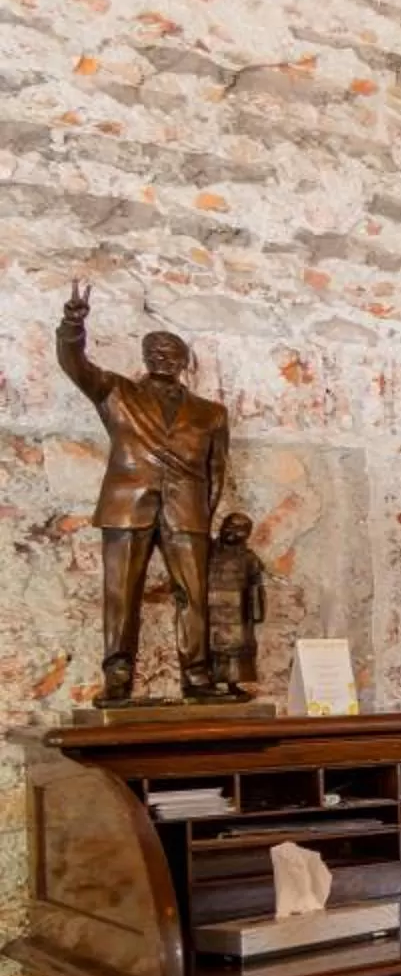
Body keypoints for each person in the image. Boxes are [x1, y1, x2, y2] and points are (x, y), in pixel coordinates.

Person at [55, 282, 230, 703]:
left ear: (185, 361)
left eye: (171, 353)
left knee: (194, 595)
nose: (162, 358)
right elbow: (74, 364)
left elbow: (217, 470)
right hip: (126, 506)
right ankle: (117, 675)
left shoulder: (211, 412)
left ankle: (198, 676)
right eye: (155, 351)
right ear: (145, 357)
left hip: (186, 511)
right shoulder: (116, 391)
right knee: (121, 593)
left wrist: (200, 514)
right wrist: (72, 326)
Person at [204, 512, 267, 696]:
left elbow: (256, 585)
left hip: (237, 614)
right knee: (211, 648)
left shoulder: (248, 558)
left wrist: (256, 612)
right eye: (231, 527)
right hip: (211, 609)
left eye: (241, 530)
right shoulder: (208, 551)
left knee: (236, 651)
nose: (234, 532)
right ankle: (209, 683)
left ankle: (232, 684)